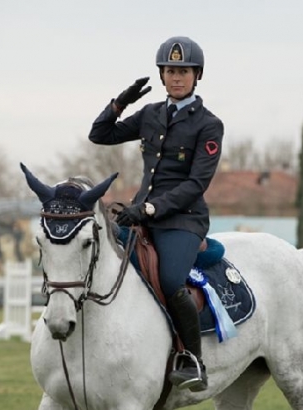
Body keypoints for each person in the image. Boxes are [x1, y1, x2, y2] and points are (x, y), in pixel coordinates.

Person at [88, 36, 223, 392]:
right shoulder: (150, 114)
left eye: (184, 71)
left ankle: (192, 360)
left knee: (171, 281)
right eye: (170, 71)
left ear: (197, 76)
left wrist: (150, 208)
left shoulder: (208, 125)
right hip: (140, 215)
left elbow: (196, 183)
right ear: (162, 76)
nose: (176, 77)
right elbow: (99, 135)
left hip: (182, 219)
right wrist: (120, 102)